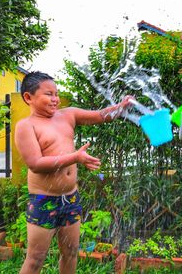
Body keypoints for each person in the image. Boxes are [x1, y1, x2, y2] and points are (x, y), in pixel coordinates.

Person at [15, 71, 134, 274]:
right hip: (44, 200)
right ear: (28, 97)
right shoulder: (26, 126)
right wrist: (75, 157)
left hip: (70, 198)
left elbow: (99, 116)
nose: (55, 99)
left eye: (56, 94)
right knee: (35, 259)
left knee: (70, 253)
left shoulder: (67, 115)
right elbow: (35, 163)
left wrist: (121, 108)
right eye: (48, 94)